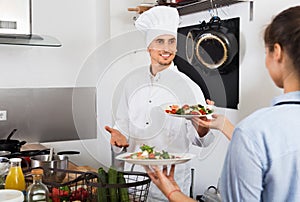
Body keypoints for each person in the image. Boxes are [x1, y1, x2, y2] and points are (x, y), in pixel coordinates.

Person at [144, 5, 300, 201]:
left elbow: (257, 143)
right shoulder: (255, 133)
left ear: (277, 53)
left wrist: (173, 192)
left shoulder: (254, 131)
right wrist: (223, 124)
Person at [104, 6, 216, 201]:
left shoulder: (189, 87)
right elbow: (121, 128)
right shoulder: (132, 83)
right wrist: (118, 140)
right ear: (149, 47)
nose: (166, 48)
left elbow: (201, 140)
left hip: (170, 184)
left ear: (176, 46)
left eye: (171, 41)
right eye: (159, 41)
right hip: (134, 181)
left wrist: (203, 127)